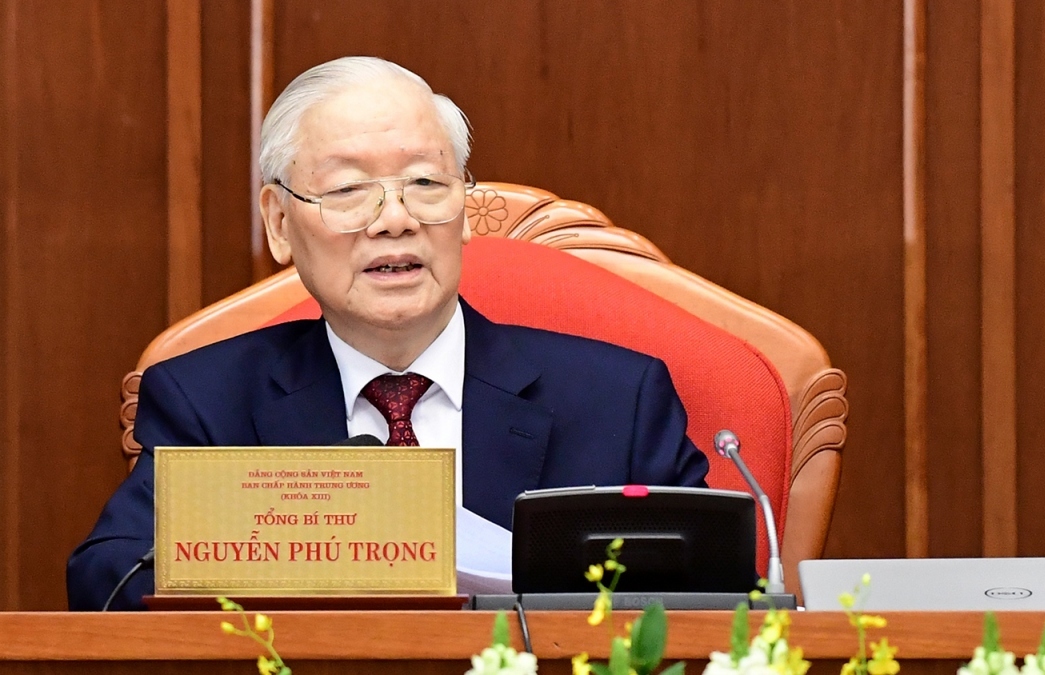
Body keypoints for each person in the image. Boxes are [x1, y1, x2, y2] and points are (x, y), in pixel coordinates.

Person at [66, 56, 708, 610]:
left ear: (463, 206)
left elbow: (716, 591)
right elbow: (108, 579)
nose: (395, 219)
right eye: (349, 189)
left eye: (426, 184)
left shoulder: (616, 398)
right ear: (280, 224)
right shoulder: (206, 399)